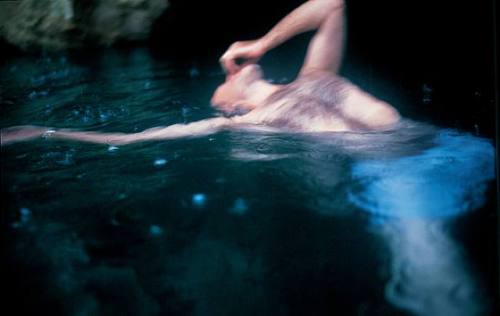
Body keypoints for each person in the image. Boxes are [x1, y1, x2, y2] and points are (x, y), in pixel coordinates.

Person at [1, 0, 400, 146]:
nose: (228, 71)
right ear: (233, 107)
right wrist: (42, 131)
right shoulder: (240, 125)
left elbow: (331, 5)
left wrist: (262, 43)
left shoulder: (314, 74)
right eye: (222, 82)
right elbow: (126, 139)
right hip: (389, 170)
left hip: (434, 145)